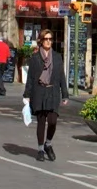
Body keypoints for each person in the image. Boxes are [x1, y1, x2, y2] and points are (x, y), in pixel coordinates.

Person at [22, 29, 69, 162]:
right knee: (41, 122)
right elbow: (30, 78)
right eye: (46, 39)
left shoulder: (57, 57)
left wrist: (65, 94)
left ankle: (48, 143)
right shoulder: (35, 58)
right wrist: (27, 95)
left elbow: (61, 76)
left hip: (53, 92)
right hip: (39, 92)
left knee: (53, 121)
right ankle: (40, 149)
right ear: (41, 41)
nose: (48, 41)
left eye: (50, 39)